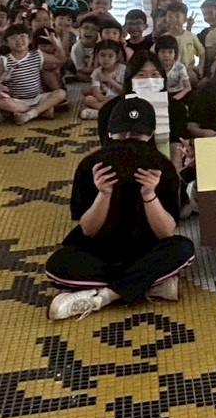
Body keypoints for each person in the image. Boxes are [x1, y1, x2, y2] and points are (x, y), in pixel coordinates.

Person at [44, 97, 193, 320]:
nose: (128, 141)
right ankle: (148, 284)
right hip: (100, 251)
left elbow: (165, 233)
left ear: (150, 135)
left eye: (136, 136)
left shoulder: (162, 168)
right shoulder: (90, 166)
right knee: (58, 266)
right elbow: (88, 231)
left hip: (145, 249)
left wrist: (149, 195)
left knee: (182, 249)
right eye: (122, 135)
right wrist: (103, 194)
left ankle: (103, 297)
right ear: (110, 134)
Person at [0, 24, 68, 124]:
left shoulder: (37, 54)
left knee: (61, 93)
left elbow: (61, 60)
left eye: (22, 36)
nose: (19, 40)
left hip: (37, 98)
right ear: (6, 43)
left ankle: (31, 113)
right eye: (13, 38)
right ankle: (40, 111)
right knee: (3, 103)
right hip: (17, 101)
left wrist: (57, 44)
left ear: (29, 39)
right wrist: (0, 86)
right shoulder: (2, 60)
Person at [80, 41, 128, 119]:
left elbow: (126, 91)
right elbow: (96, 92)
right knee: (88, 99)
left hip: (120, 99)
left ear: (116, 57)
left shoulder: (123, 70)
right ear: (97, 57)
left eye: (110, 56)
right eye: (102, 56)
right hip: (104, 100)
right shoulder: (97, 72)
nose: (106, 59)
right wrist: (107, 102)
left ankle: (101, 113)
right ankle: (110, 112)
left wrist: (110, 80)